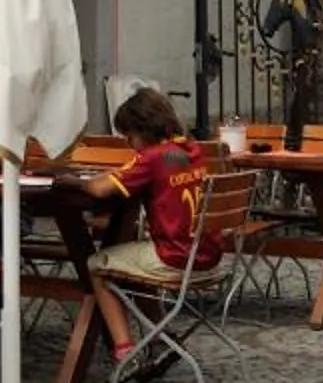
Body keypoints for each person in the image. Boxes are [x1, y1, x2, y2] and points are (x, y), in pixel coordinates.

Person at [81, 89, 226, 285]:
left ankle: (102, 307)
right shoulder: (192, 149)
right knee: (133, 262)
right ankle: (143, 307)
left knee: (95, 264)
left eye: (130, 136)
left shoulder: (152, 158)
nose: (128, 144)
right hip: (209, 256)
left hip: (174, 258)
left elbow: (99, 190)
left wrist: (72, 181)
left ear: (144, 130)